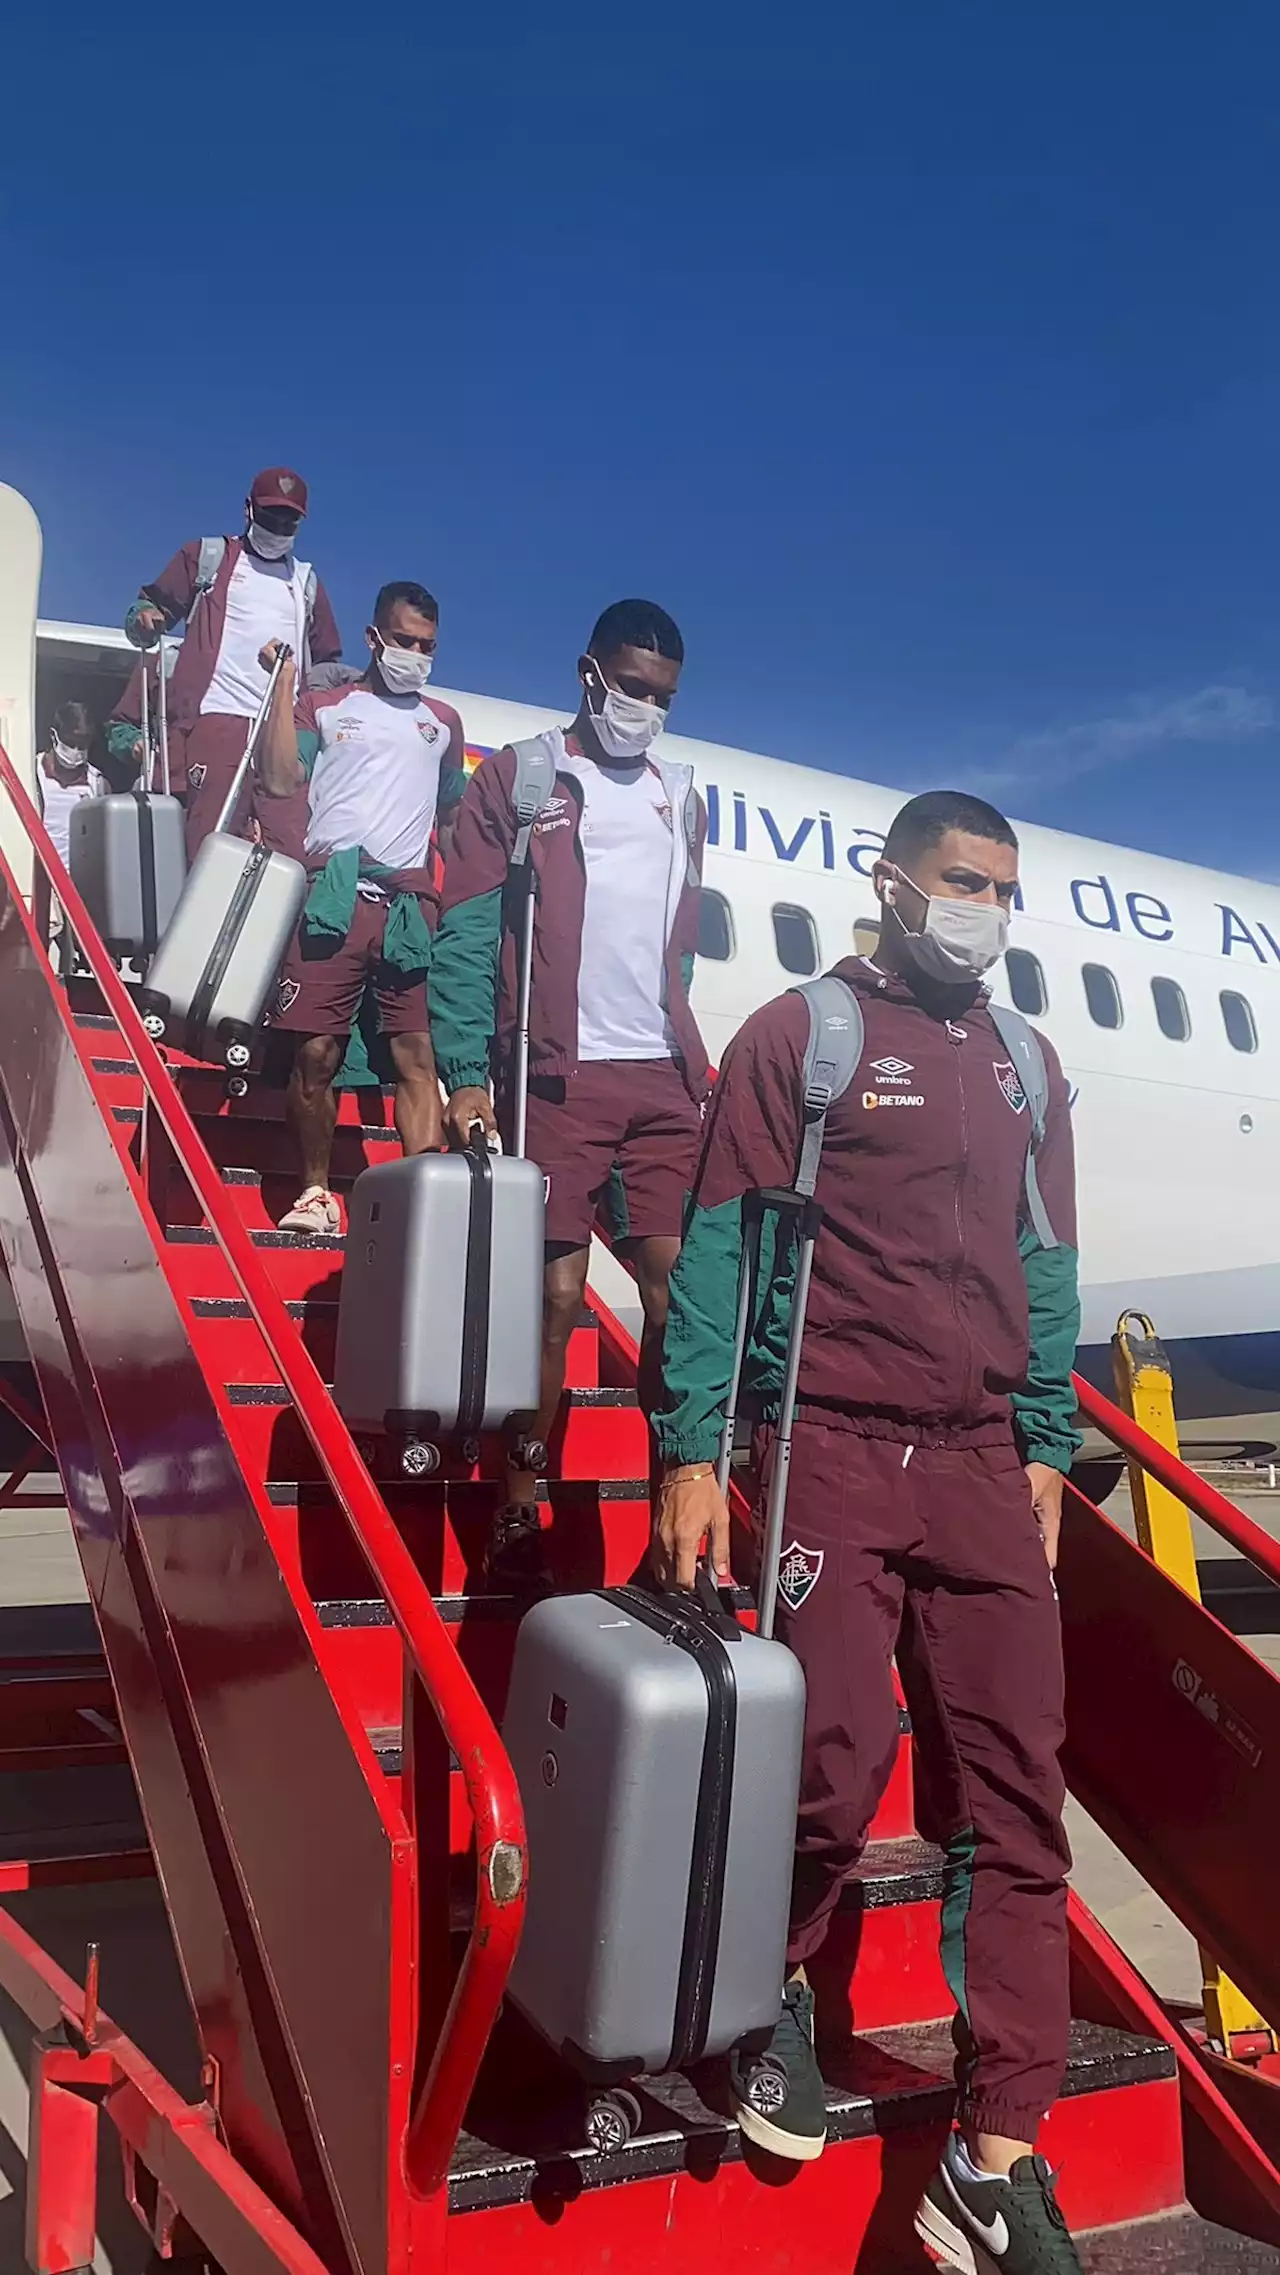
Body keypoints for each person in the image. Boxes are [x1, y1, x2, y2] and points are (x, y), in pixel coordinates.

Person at [652, 790, 1085, 2275]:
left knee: (1023, 1790)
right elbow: (717, 1240)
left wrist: (1045, 1434)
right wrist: (692, 1448)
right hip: (828, 1446)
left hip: (978, 1460)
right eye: (964, 881)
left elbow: (1048, 1259)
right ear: (892, 881)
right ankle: (763, 1985)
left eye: (1005, 889)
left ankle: (997, 2146)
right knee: (831, 1762)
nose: (985, 910)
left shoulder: (1028, 1064)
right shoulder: (804, 1036)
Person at [430, 598, 708, 1588]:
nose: (645, 707)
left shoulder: (684, 797)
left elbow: (666, 945)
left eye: (662, 695)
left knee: (681, 1298)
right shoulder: (524, 774)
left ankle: (676, 1518)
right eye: (631, 686)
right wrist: (464, 1069)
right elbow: (465, 926)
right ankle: (519, 1496)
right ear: (589, 672)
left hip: (663, 1083)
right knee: (550, 1301)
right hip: (555, 1074)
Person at [258, 581, 466, 1236]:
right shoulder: (327, 706)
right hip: (334, 895)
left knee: (416, 1056)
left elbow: (454, 815)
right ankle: (316, 1192)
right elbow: (281, 778)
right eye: (403, 640)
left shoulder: (443, 723)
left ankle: (420, 1203)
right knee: (317, 1053)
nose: (415, 654)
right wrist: (283, 687)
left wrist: (458, 902)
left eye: (426, 646)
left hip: (407, 904)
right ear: (375, 638)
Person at [124, 468, 341, 858]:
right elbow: (151, 605)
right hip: (219, 721)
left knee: (287, 852)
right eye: (271, 515)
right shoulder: (209, 557)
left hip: (281, 733)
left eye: (289, 520)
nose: (279, 526)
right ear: (248, 510)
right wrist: (145, 618)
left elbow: (326, 662)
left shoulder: (306, 584)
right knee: (210, 845)